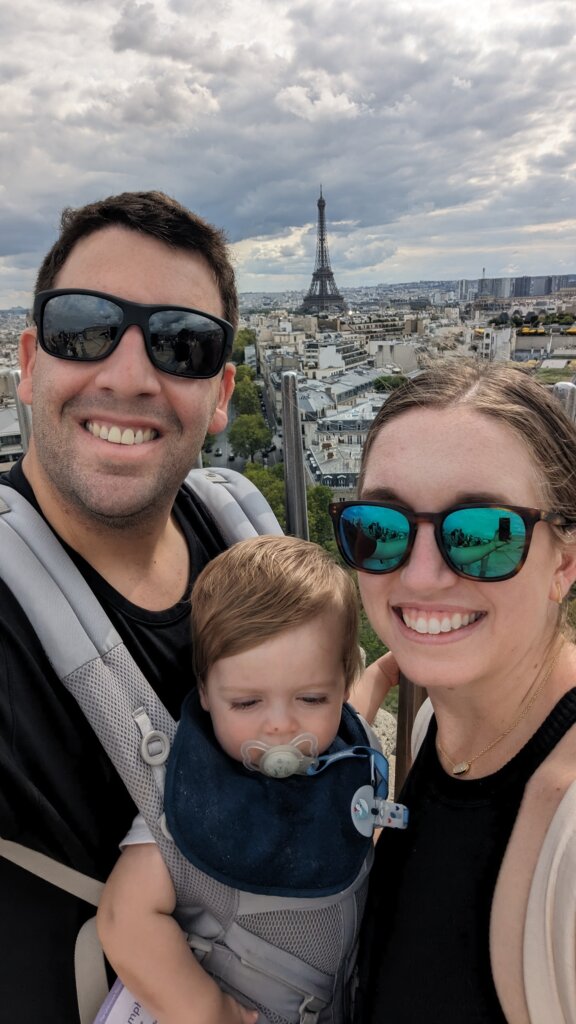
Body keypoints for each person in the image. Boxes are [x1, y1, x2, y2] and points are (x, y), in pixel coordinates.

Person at [0, 190, 241, 1022]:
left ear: (221, 394)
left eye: (182, 344)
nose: (130, 374)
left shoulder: (243, 542)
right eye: (83, 328)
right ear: (28, 363)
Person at [329, 360, 576, 1024]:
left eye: (484, 536)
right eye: (380, 528)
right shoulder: (435, 725)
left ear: (565, 561)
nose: (424, 573)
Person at [95, 534, 387, 1024]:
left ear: (341, 685)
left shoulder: (348, 758)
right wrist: (207, 1011)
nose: (279, 726)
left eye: (312, 699)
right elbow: (124, 919)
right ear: (205, 692)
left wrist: (379, 680)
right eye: (247, 703)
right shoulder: (191, 800)